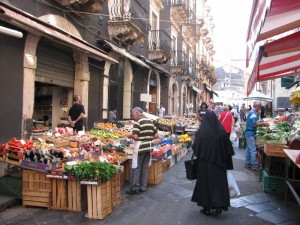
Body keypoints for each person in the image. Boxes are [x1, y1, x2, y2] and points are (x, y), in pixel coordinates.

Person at [191, 111, 235, 216]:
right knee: (219, 184)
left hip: (204, 164)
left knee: (205, 185)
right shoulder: (221, 131)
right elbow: (228, 149)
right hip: (219, 164)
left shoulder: (202, 132)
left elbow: (195, 146)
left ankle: (206, 208)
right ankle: (219, 206)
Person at [126, 107, 159, 195]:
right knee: (144, 167)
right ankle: (143, 187)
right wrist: (148, 138)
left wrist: (130, 136)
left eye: (133, 115)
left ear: (137, 113)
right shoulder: (150, 121)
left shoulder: (138, 122)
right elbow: (156, 135)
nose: (133, 117)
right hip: (149, 147)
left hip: (140, 147)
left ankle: (135, 188)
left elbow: (136, 137)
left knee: (137, 167)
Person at [245, 101, 269, 171]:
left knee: (248, 149)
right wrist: (263, 123)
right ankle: (255, 165)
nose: (260, 109)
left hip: (249, 133)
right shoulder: (253, 113)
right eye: (260, 107)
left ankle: (247, 163)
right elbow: (254, 124)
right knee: (253, 150)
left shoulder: (251, 112)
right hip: (250, 133)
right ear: (257, 106)